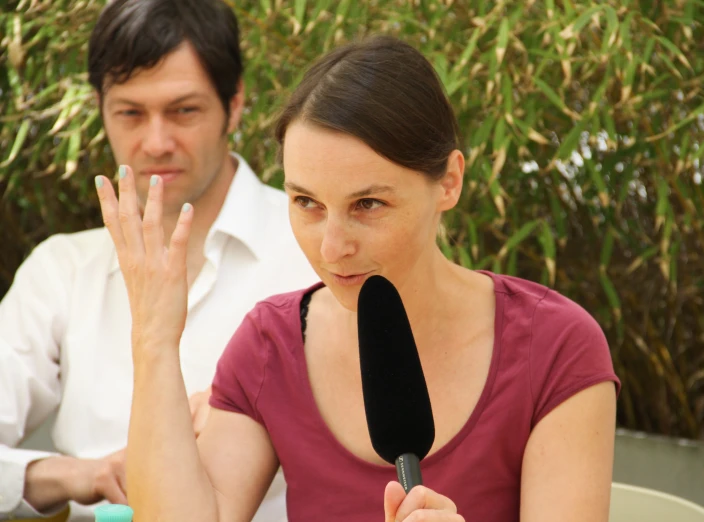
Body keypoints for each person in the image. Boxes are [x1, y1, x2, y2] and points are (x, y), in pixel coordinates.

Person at [95, 36, 621, 522]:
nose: (331, 247)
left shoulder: (554, 347)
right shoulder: (271, 345)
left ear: (450, 182)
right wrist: (154, 342)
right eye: (306, 203)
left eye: (368, 204)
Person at [0, 1, 317, 521]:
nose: (156, 142)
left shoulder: (318, 252)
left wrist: (263, 404)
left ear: (234, 104)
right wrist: (85, 474)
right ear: (99, 108)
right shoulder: (61, 271)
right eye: (130, 113)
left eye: (183, 110)